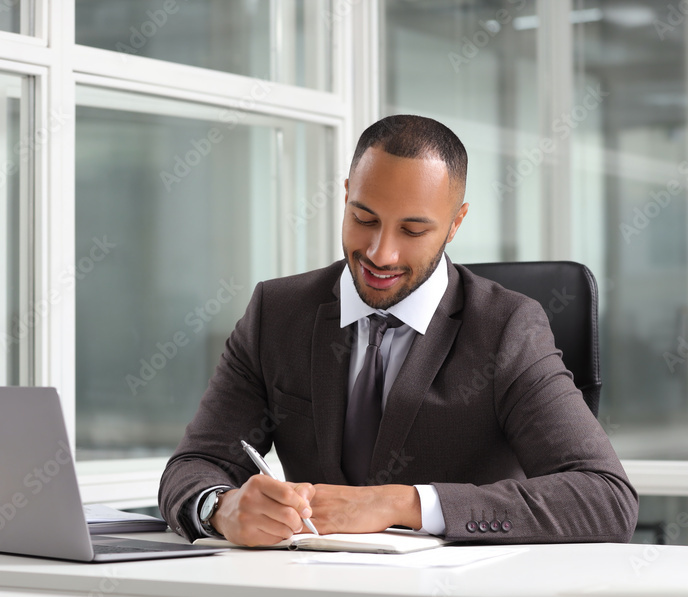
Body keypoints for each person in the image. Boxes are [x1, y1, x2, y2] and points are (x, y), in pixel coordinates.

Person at [158, 115, 638, 546]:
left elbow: (605, 497)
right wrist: (219, 508)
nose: (380, 254)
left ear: (455, 224)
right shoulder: (277, 312)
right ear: (346, 195)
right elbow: (194, 465)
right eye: (364, 219)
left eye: (412, 231)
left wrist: (404, 504)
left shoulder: (506, 328)